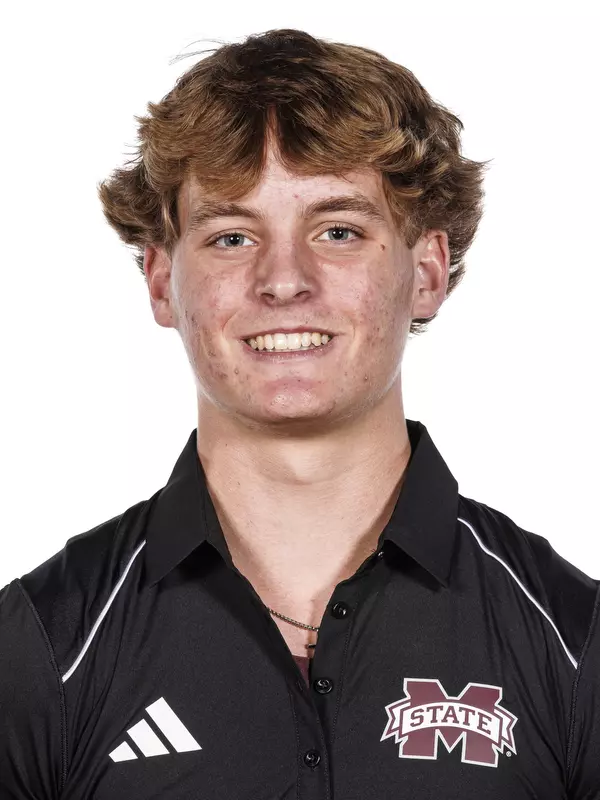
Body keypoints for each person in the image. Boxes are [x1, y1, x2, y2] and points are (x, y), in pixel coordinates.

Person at [1, 28, 598, 800]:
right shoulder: (42, 648)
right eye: (231, 235)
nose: (283, 280)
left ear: (427, 272)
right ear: (159, 280)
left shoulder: (573, 645)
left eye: (338, 231)